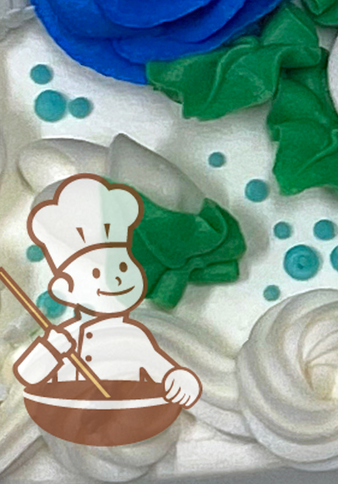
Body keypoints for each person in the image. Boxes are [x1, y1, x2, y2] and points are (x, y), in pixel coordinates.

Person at [13, 174, 201, 408]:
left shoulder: (132, 333)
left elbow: (163, 369)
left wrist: (177, 379)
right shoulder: (67, 336)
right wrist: (50, 347)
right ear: (66, 285)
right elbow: (27, 374)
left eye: (122, 267)